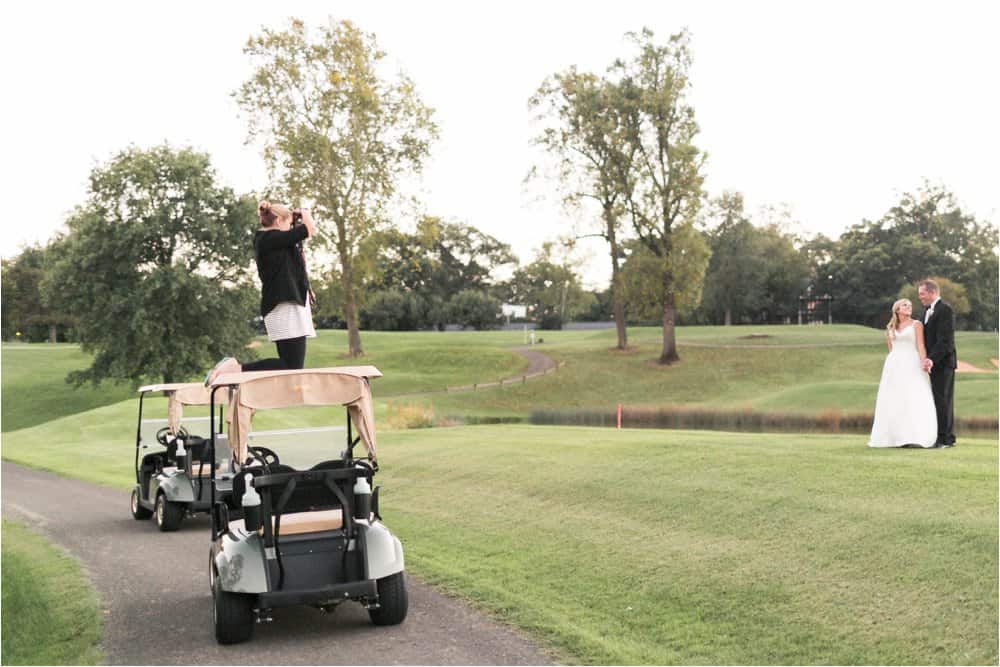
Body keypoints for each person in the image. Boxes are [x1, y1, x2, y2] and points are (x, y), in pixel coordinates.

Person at [205, 200, 318, 384]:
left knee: (291, 366)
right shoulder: (268, 239)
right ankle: (235, 369)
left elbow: (298, 249)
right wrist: (304, 211)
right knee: (291, 366)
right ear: (279, 221)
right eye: (288, 223)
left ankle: (235, 369)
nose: (291, 228)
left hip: (289, 306)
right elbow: (309, 228)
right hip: (283, 307)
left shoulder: (277, 241)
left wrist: (293, 217)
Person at [868, 298, 937, 448]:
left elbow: (920, 345)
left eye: (910, 305)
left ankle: (915, 436)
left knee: (912, 396)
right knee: (894, 398)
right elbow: (891, 349)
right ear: (897, 309)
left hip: (912, 362)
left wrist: (924, 362)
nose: (908, 307)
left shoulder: (916, 325)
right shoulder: (890, 328)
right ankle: (892, 437)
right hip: (894, 365)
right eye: (905, 305)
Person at [917, 279, 957, 448]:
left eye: (922, 294)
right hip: (931, 364)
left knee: (943, 400)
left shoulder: (945, 310)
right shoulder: (926, 311)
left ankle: (945, 439)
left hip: (943, 363)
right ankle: (936, 435)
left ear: (932, 292)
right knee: (934, 400)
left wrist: (931, 359)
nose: (920, 298)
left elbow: (945, 341)